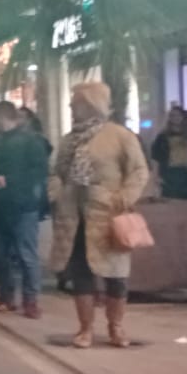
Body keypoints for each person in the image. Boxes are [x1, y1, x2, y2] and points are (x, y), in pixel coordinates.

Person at [50, 82, 149, 348]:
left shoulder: (119, 136)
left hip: (109, 217)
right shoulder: (69, 139)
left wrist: (123, 197)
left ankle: (116, 327)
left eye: (76, 103)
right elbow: (56, 173)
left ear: (91, 104)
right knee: (80, 272)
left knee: (116, 274)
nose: (71, 108)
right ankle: (85, 329)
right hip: (75, 217)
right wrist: (58, 194)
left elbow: (139, 171)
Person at [0, 100, 52, 319]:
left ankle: (30, 300)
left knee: (26, 255)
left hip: (23, 206)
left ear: (0, 117)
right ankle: (6, 298)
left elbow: (39, 173)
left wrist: (9, 180)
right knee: (1, 256)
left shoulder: (31, 142)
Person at [149, 107, 187, 202]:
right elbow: (156, 158)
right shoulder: (162, 138)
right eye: (172, 115)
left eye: (178, 115)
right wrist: (156, 177)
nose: (175, 118)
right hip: (170, 177)